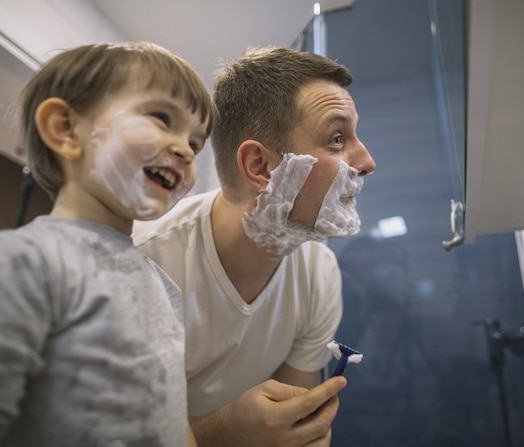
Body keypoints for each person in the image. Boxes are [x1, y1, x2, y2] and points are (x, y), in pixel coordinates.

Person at [132, 46, 376, 446]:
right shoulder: (143, 263)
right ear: (261, 167)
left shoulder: (319, 273)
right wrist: (225, 432)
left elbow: (292, 430)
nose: (366, 161)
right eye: (336, 138)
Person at [0, 41, 213, 447]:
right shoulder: (22, 263)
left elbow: (172, 421)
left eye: (196, 144)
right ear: (65, 129)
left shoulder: (165, 287)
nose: (185, 149)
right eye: (162, 118)